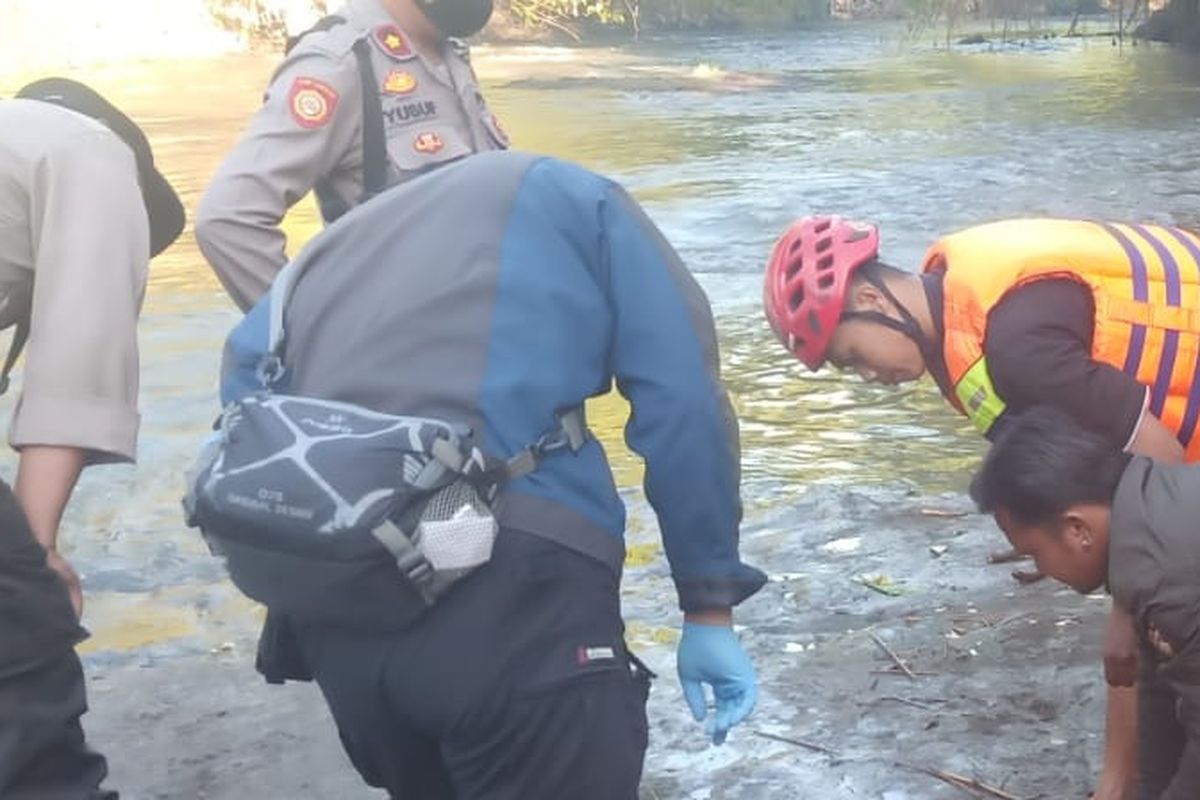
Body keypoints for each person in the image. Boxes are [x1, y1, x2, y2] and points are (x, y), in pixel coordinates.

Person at [205, 150, 767, 798]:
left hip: (345, 620)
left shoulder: (330, 247)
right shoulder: (573, 196)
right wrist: (708, 601)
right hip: (511, 595)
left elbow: (245, 398)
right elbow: (683, 402)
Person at [761, 216, 1200, 799]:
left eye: (851, 356)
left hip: (1176, 484)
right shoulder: (958, 317)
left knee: (1148, 631)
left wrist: (1123, 613)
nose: (868, 377)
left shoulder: (1016, 346)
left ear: (869, 297)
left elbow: (1160, 461)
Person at [0, 78, 185, 799]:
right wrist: (35, 555)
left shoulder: (16, 143)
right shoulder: (94, 153)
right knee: (22, 658)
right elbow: (76, 372)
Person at [195, 0, 509, 311]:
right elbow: (228, 217)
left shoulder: (450, 55)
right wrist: (313, 337)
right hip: (400, 344)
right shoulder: (339, 62)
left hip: (478, 335)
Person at [970, 405, 1200, 800]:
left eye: (1034, 553)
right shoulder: (1146, 507)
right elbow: (1157, 696)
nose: (1041, 569)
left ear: (1077, 530)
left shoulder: (1165, 573)